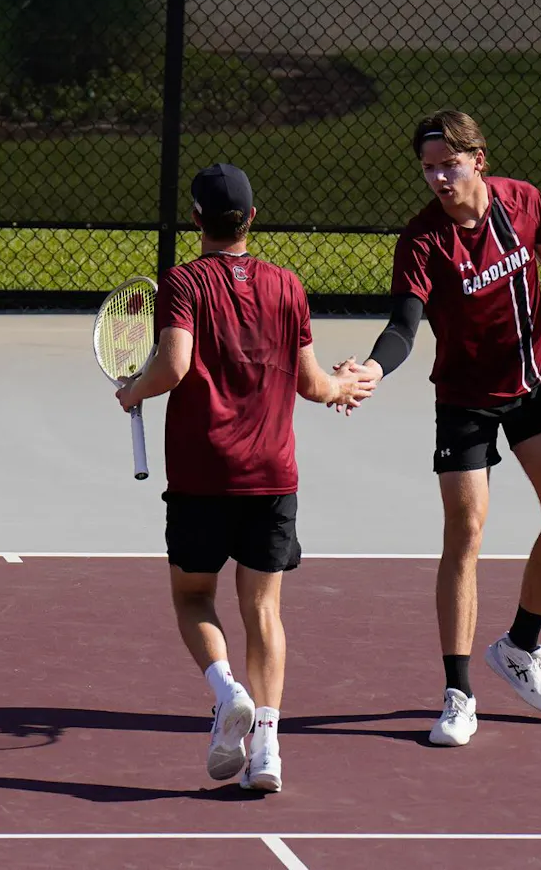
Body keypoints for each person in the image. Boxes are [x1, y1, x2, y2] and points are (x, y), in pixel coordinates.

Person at [336, 111, 541, 747]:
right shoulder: (424, 241)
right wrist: (372, 368)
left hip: (536, 382)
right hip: (465, 401)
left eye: (447, 165)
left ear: (478, 159)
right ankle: (458, 694)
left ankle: (519, 648)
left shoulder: (523, 201)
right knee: (467, 530)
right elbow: (404, 326)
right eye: (428, 167)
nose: (437, 178)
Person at [117, 163, 373, 792]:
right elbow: (314, 385)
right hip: (272, 479)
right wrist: (348, 385)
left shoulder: (185, 281)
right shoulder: (287, 285)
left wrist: (132, 391)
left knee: (193, 597)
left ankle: (224, 688)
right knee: (264, 612)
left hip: (203, 476)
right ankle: (267, 751)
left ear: (196, 219)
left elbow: (173, 365)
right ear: (252, 219)